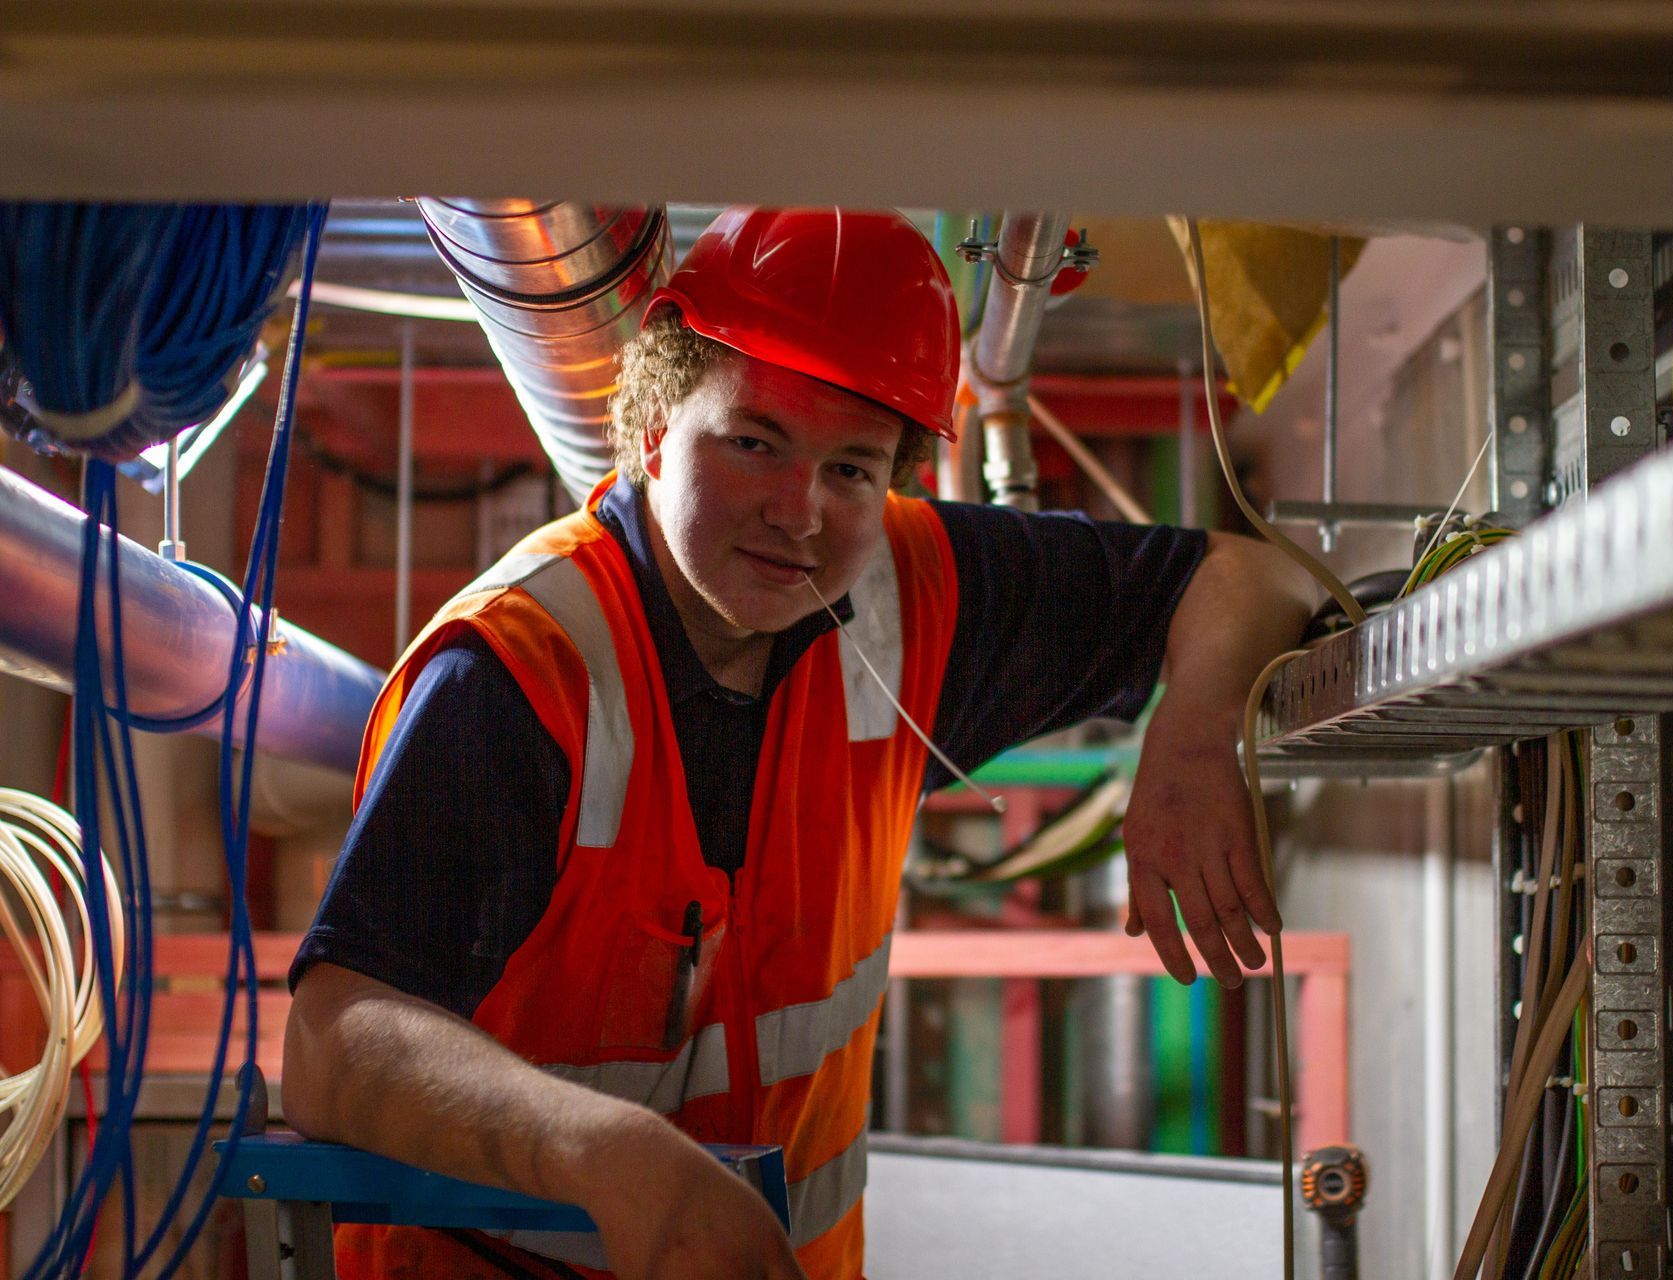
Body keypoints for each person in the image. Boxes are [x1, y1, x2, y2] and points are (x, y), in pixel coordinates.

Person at [282, 206, 1310, 1280]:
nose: (801, 512)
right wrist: (613, 1157)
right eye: (755, 441)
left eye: (853, 468)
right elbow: (332, 1041)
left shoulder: (919, 588)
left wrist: (1194, 737)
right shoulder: (519, 672)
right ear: (650, 427)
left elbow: (1248, 575)